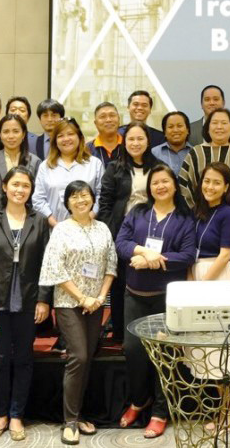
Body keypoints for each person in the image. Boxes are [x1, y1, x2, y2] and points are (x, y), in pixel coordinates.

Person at [115, 164, 198, 439]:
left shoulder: (185, 219)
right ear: (149, 188)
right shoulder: (138, 213)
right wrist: (143, 251)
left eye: (165, 181)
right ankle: (140, 401)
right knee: (133, 350)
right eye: (155, 182)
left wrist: (152, 262)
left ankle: (161, 411)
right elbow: (121, 243)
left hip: (167, 299)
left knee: (164, 354)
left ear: (174, 185)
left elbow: (186, 256)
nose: (160, 186)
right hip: (134, 296)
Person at [0, 166, 52, 441]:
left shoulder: (40, 220)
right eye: (15, 185)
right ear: (5, 187)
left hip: (29, 297)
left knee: (23, 358)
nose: (20, 190)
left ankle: (17, 414)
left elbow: (47, 264)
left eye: (26, 186)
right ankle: (1, 414)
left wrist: (44, 300)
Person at [41, 180, 115, 444]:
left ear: (92, 198)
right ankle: (69, 421)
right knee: (79, 357)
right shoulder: (61, 229)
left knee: (88, 358)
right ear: (67, 203)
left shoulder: (103, 228)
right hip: (69, 302)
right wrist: (82, 296)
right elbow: (55, 269)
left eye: (85, 195)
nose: (81, 200)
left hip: (95, 303)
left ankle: (78, 413)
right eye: (74, 197)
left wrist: (100, 296)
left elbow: (111, 264)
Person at [95, 122, 162, 342]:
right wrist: (108, 232)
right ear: (125, 142)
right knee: (120, 282)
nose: (135, 143)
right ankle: (121, 333)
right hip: (121, 230)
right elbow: (105, 203)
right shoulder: (115, 167)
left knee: (146, 279)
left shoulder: (158, 167)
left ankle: (149, 331)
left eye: (140, 139)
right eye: (131, 139)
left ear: (148, 141)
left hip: (151, 231)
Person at [32, 118, 104, 227]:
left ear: (79, 137)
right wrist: (56, 225)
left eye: (70, 134)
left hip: (88, 227)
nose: (66, 139)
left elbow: (102, 195)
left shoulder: (94, 164)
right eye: (60, 136)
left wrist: (89, 217)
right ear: (55, 141)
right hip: (54, 230)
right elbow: (38, 200)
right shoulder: (45, 166)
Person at [180, 108, 230, 207]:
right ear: (207, 128)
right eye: (214, 123)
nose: (219, 127)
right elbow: (184, 187)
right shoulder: (196, 153)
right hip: (201, 217)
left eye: (224, 123)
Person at [0, 115, 42, 212]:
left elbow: (38, 193)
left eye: (16, 131)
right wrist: (12, 201)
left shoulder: (35, 161)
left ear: (23, 134)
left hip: (27, 216)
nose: (11, 136)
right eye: (6, 132)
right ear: (0, 135)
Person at [191, 163, 230, 281]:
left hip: (218, 272)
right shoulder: (195, 210)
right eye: (206, 181)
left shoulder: (228, 213)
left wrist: (204, 282)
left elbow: (225, 255)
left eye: (217, 183)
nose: (210, 187)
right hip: (194, 270)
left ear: (226, 187)